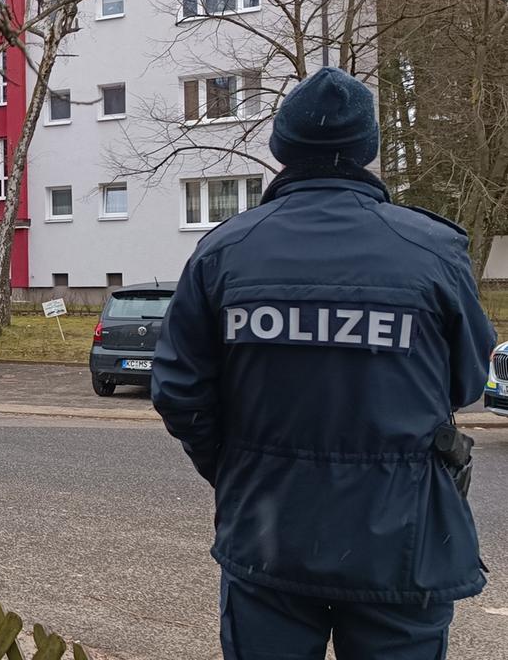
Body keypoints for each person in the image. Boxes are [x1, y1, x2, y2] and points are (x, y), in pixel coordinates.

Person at [151, 67, 496, 660]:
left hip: (269, 531)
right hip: (401, 541)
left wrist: (239, 467)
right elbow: (465, 383)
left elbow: (180, 392)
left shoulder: (225, 251)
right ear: (368, 150)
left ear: (282, 148)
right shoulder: (432, 251)